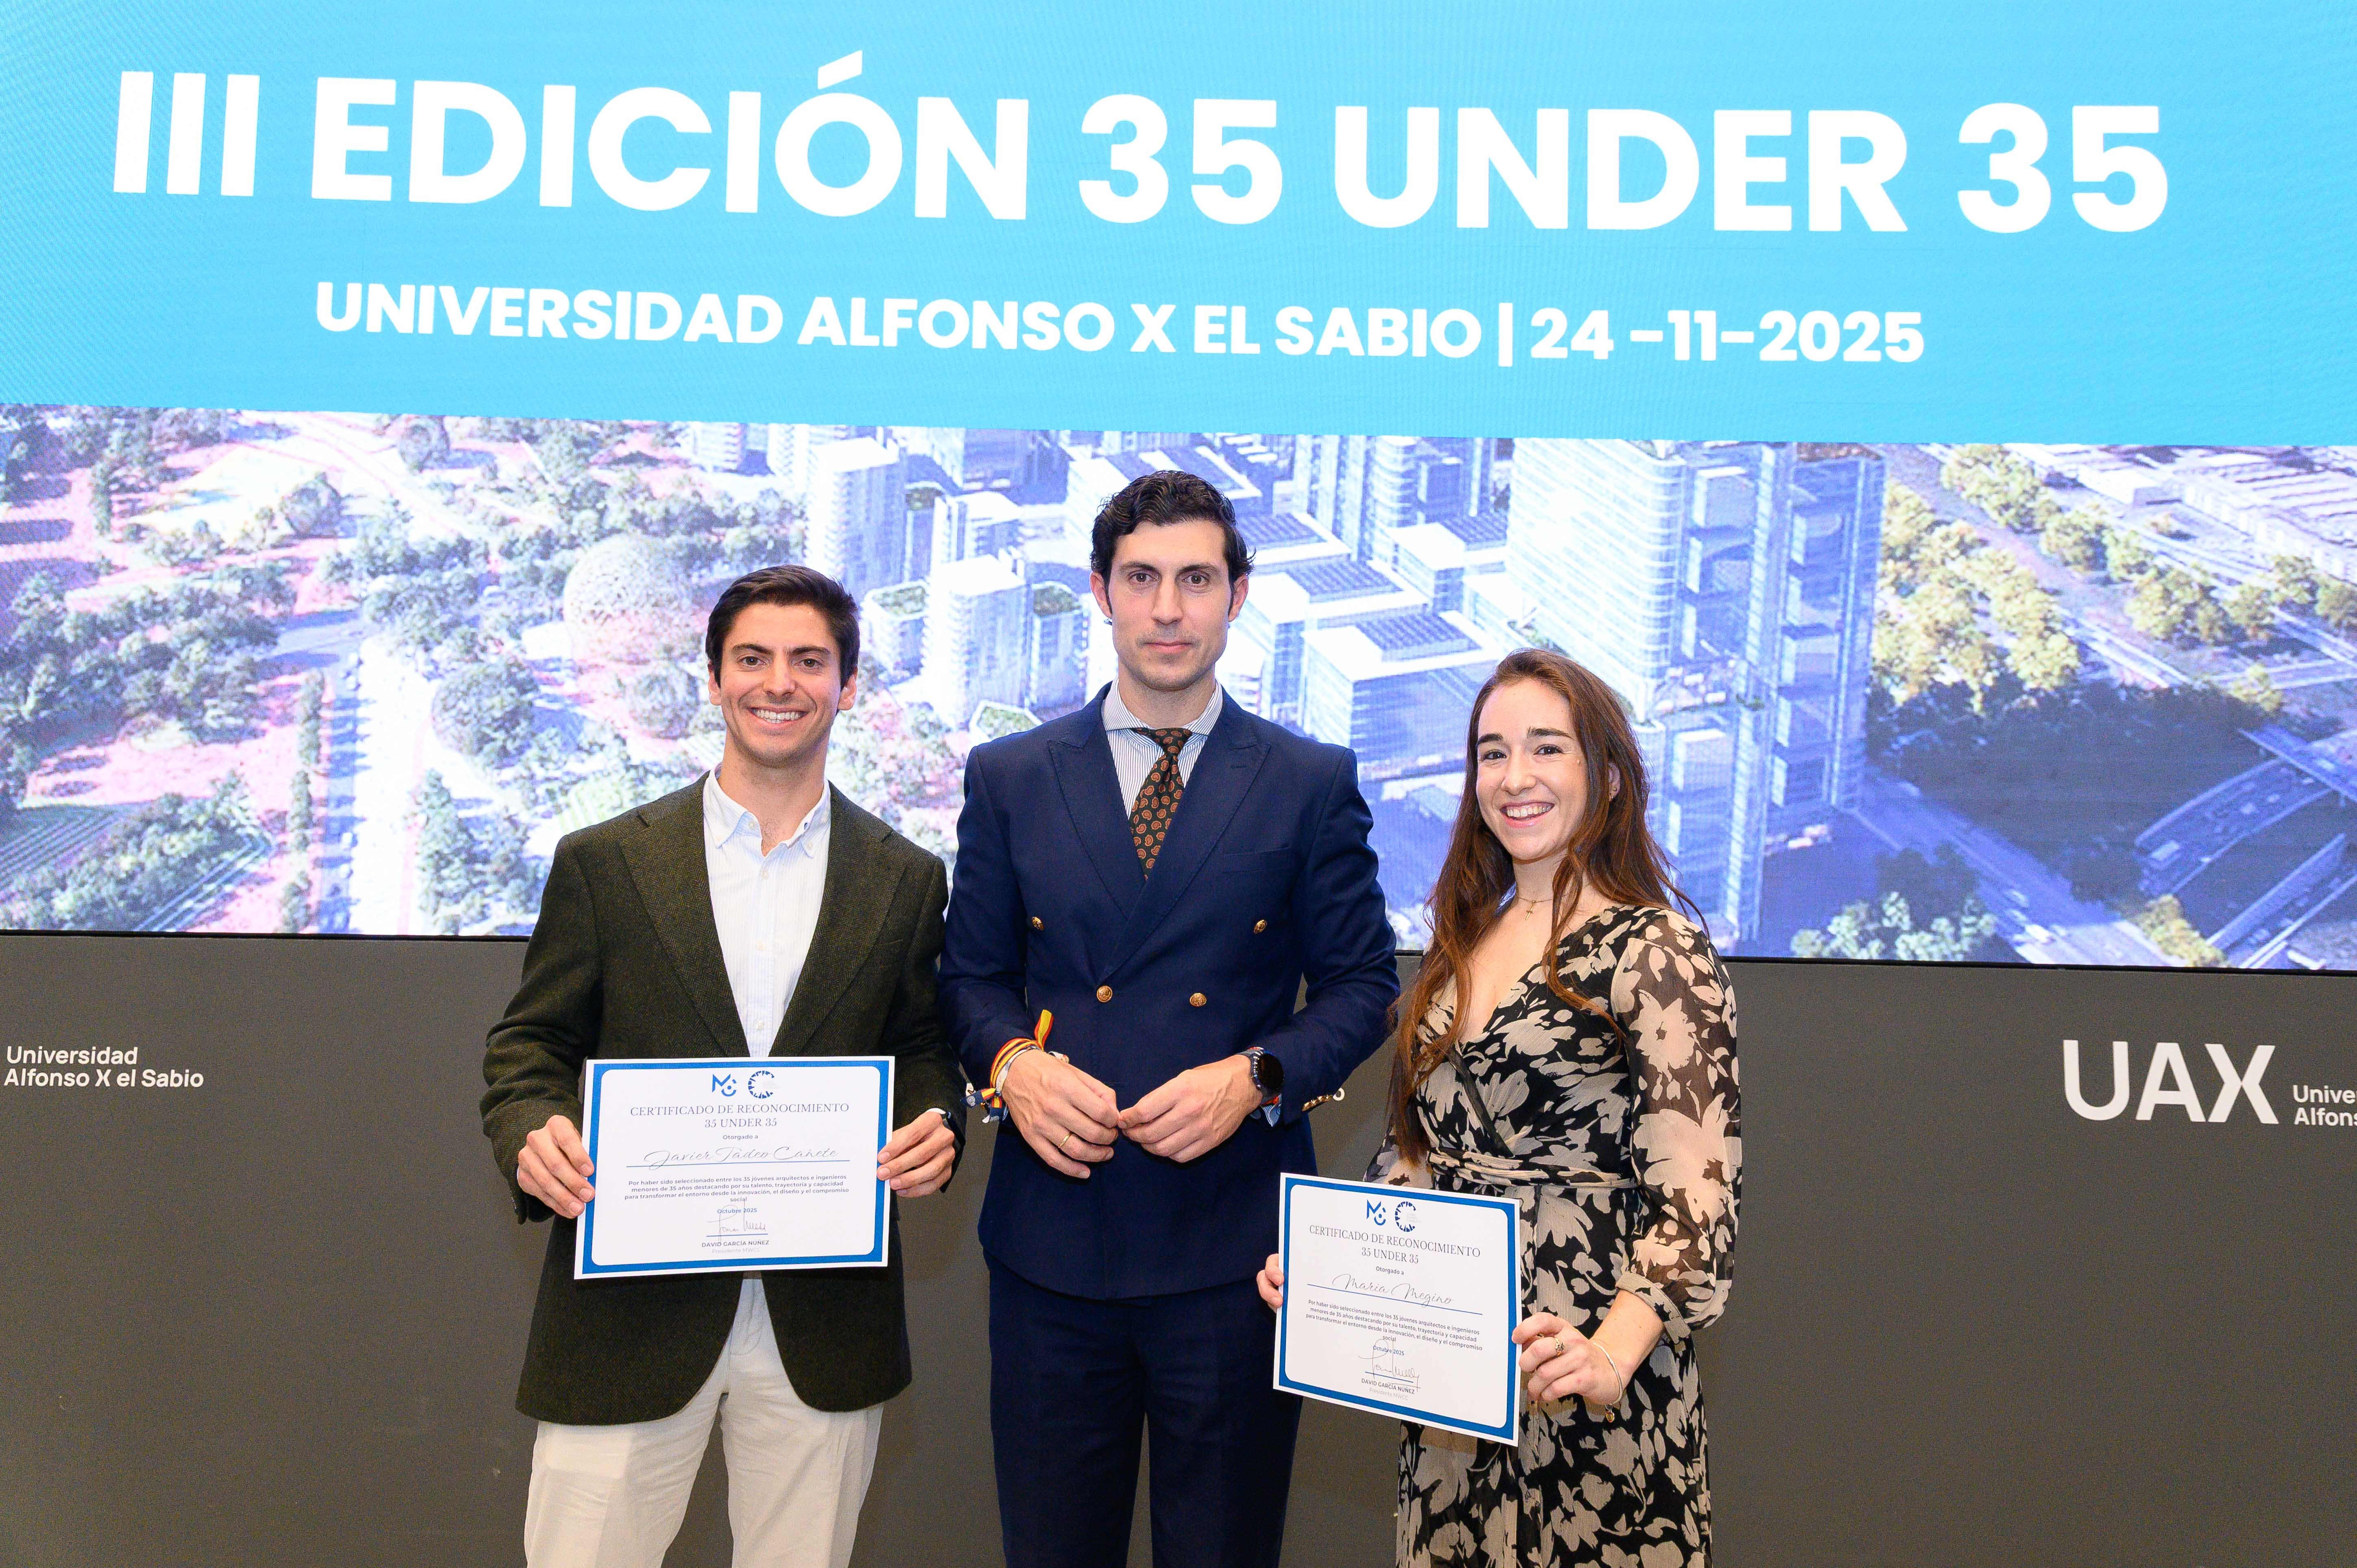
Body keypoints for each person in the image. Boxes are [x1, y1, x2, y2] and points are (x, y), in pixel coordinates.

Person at [941, 469, 1400, 1568]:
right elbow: (968, 977)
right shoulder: (1010, 775)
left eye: (1195, 580)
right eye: (1141, 578)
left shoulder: (1307, 779)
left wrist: (1257, 1077)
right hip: (1053, 1247)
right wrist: (1011, 1066)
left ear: (1235, 597)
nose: (1166, 609)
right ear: (1101, 592)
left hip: (1234, 1254)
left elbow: (1363, 984)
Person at [480, 565, 966, 1568]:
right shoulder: (606, 862)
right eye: (751, 658)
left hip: (824, 1318)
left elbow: (920, 1047)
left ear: (848, 685)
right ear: (713, 680)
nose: (778, 682)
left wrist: (937, 1121)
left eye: (808, 660)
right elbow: (530, 1045)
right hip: (626, 1308)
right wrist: (533, 1128)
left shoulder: (907, 877)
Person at [1256, 647, 1743, 1567]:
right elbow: (1414, 1154)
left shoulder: (1655, 948)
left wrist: (1609, 1355)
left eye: (1546, 748)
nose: (1514, 776)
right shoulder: (1459, 940)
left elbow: (1697, 1199)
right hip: (1451, 1394)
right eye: (1491, 752)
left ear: (1606, 776)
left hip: (1590, 1385)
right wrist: (1326, 1274)